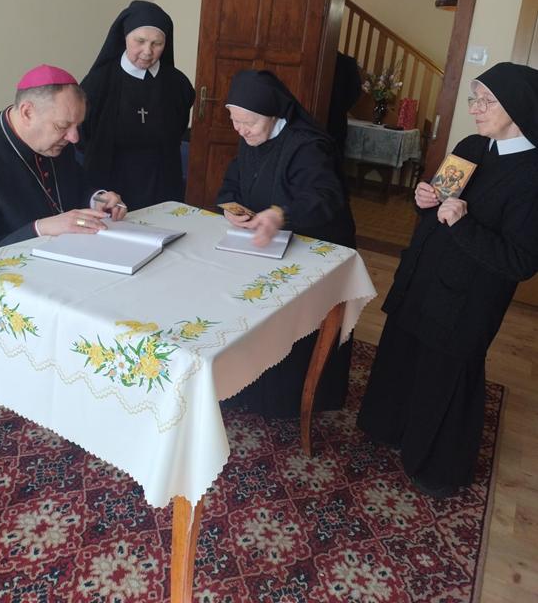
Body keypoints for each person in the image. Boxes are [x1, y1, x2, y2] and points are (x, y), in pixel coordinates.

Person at [357, 62, 538, 498]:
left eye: (485, 101)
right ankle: (389, 426)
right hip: (424, 277)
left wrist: (463, 223)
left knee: (443, 375)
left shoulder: (532, 173)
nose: (474, 108)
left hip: (466, 302)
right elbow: (440, 203)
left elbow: (520, 262)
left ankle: (435, 465)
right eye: (474, 98)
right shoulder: (471, 146)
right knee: (402, 352)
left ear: (518, 107)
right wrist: (424, 199)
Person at [217, 69, 356, 418]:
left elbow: (324, 197)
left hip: (311, 247)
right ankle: (241, 383)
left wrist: (281, 214)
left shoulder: (307, 146)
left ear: (272, 114)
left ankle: (285, 401)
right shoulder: (250, 136)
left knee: (289, 325)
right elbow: (234, 179)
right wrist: (231, 205)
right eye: (235, 121)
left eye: (247, 122)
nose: (240, 130)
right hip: (265, 245)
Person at [0, 65, 126, 264]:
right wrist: (39, 229)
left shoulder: (56, 141)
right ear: (27, 112)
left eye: (77, 126)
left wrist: (98, 200)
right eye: (62, 126)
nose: (74, 138)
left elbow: (77, 187)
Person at [80, 0, 196, 211]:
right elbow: (82, 135)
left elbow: (177, 129)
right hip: (110, 183)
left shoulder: (178, 84)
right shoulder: (98, 82)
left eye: (157, 43)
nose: (147, 51)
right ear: (125, 37)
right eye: (140, 41)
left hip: (162, 183)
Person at [327, 51, 362, 158]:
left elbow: (355, 92)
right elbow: (355, 92)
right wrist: (342, 108)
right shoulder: (348, 62)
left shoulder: (347, 62)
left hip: (332, 120)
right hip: (337, 119)